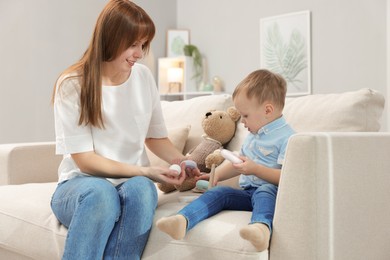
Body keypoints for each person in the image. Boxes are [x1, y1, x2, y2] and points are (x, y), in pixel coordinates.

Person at [50, 1, 193, 259]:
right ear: (111, 38)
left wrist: (183, 161)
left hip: (131, 183)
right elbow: (85, 161)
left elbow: (154, 137)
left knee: (142, 189)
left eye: (143, 44)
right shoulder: (73, 84)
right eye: (132, 44)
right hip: (81, 186)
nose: (139, 53)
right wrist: (145, 170)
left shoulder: (143, 78)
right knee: (102, 194)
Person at [156, 69, 295, 252]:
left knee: (265, 190)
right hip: (247, 193)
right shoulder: (254, 134)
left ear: (267, 110)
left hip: (271, 194)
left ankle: (261, 229)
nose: (242, 123)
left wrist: (256, 169)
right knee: (220, 192)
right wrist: (215, 176)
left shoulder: (289, 139)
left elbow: (288, 178)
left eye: (245, 116)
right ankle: (182, 220)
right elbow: (237, 164)